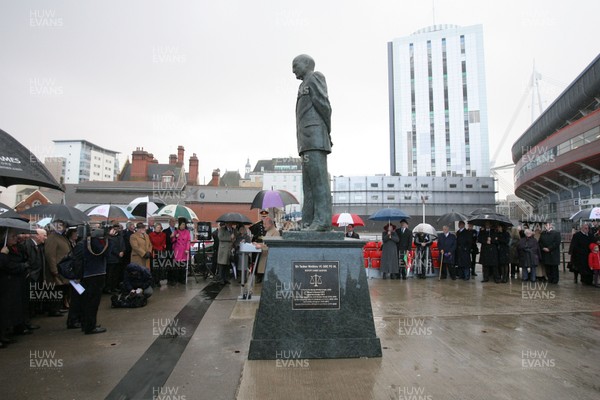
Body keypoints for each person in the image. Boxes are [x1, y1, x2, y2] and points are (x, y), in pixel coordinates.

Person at [293, 54, 333, 231]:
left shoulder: (315, 77)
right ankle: (308, 220)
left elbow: (324, 105)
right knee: (307, 185)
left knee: (318, 182)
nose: (293, 70)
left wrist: (326, 131)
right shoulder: (302, 84)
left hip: (316, 138)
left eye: (295, 65)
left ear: (306, 64)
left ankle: (322, 220)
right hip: (306, 141)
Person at [73, 228, 111, 334]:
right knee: (93, 302)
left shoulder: (84, 243)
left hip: (87, 275)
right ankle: (91, 326)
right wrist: (108, 240)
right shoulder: (97, 244)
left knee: (86, 301)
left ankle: (86, 323)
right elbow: (107, 254)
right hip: (97, 274)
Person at [104, 222, 125, 293]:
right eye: (115, 228)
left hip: (118, 258)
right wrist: (118, 253)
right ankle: (108, 287)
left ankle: (114, 287)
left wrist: (122, 251)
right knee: (110, 274)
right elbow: (111, 248)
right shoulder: (108, 238)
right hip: (111, 258)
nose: (116, 230)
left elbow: (122, 245)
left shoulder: (119, 237)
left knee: (116, 274)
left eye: (118, 228)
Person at [171, 219, 191, 284]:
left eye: (184, 225)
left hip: (184, 250)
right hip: (177, 250)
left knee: (183, 265)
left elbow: (188, 241)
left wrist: (187, 249)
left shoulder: (187, 232)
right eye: (182, 225)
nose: (183, 226)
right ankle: (175, 279)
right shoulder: (176, 231)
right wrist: (175, 237)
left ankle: (182, 279)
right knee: (176, 265)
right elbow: (172, 241)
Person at [149, 222, 167, 286]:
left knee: (159, 267)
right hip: (154, 252)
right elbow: (150, 243)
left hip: (161, 252)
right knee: (153, 267)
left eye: (160, 227)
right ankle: (153, 281)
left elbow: (164, 243)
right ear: (155, 228)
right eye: (157, 227)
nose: (159, 229)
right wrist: (155, 248)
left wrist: (161, 248)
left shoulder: (163, 234)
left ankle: (158, 281)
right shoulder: (151, 235)